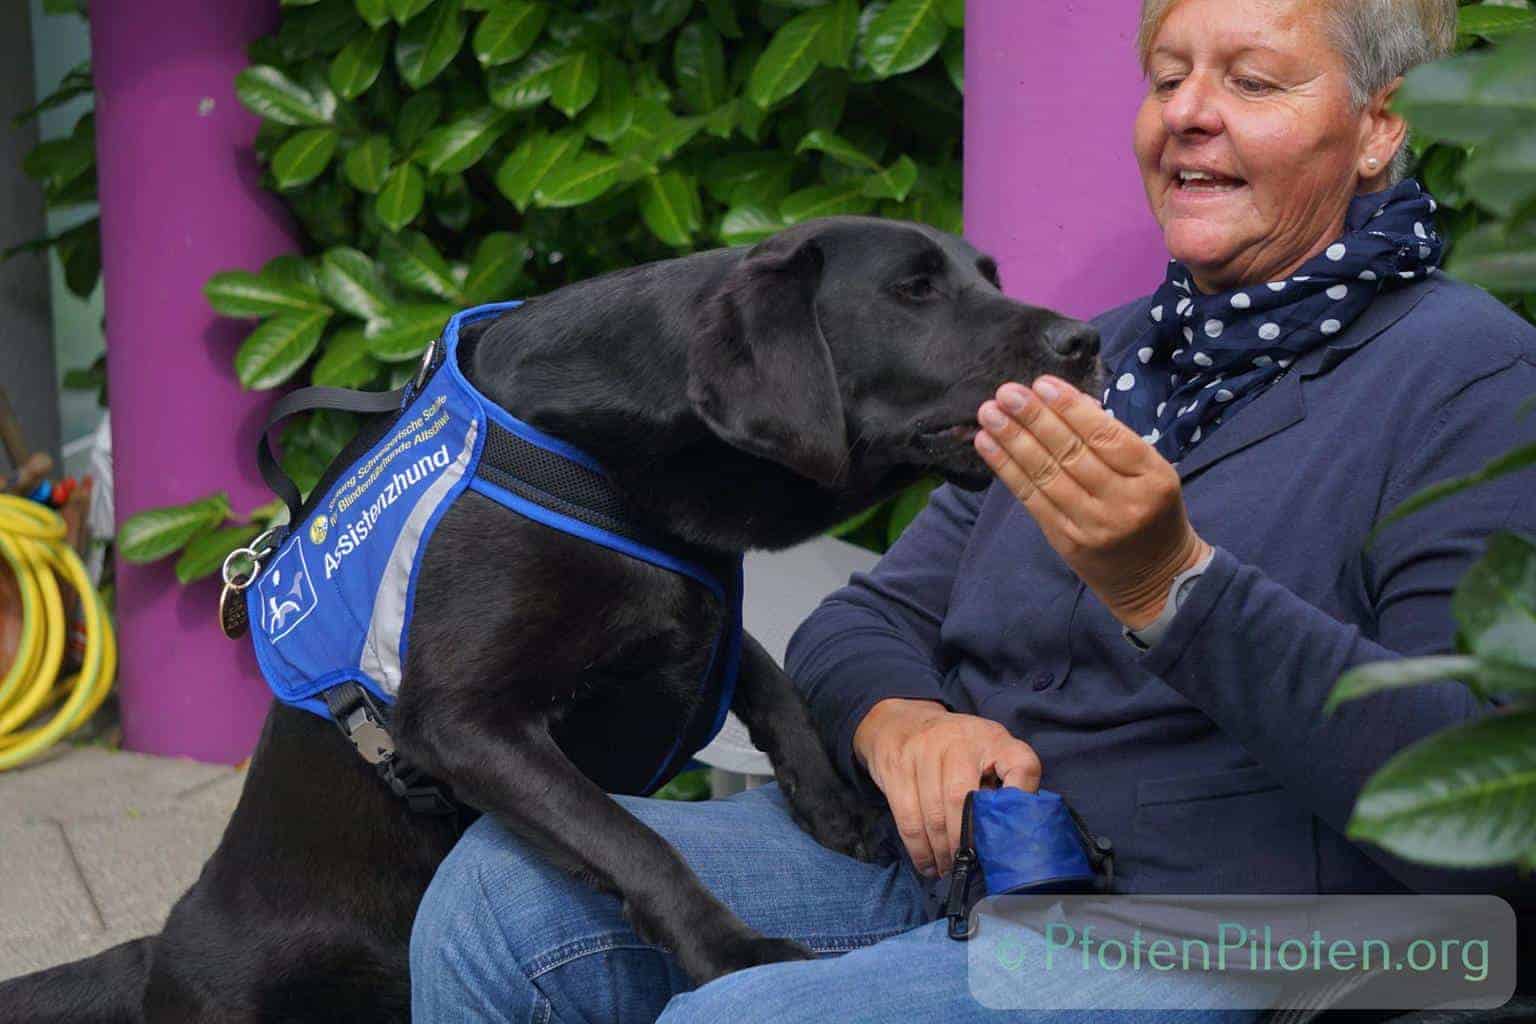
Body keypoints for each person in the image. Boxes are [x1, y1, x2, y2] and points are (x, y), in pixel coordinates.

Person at [410, 0, 1536, 1019]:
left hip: (1222, 921)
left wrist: (1175, 588)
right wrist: (903, 721)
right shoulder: (1115, 356)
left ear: (1379, 126)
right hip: (955, 863)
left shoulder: (1471, 378)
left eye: (1252, 81)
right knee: (499, 899)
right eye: (1167, 75)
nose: (1188, 113)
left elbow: (1477, 806)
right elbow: (869, 620)